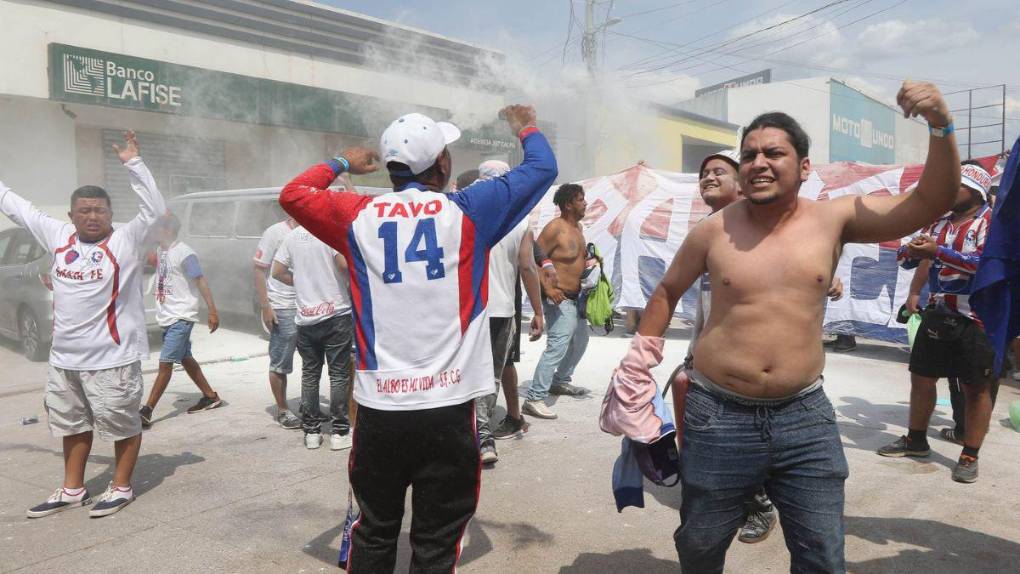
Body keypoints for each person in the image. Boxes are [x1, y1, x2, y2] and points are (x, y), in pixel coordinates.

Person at [614, 81, 959, 572]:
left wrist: (940, 123)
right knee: (700, 543)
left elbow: (931, 201)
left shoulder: (834, 220)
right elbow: (667, 291)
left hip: (804, 417)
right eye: (749, 154)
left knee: (822, 552)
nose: (758, 162)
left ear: (803, 166)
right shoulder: (714, 230)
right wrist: (639, 362)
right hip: (718, 415)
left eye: (773, 152)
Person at [279, 105, 556, 573]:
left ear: (391, 169)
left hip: (379, 411)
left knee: (374, 531)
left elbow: (293, 193)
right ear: (443, 164)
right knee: (436, 542)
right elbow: (543, 168)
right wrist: (524, 125)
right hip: (449, 410)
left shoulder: (356, 215)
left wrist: (342, 161)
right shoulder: (468, 210)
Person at [3, 131, 166, 518]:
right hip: (64, 361)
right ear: (71, 215)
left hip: (112, 360)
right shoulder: (58, 236)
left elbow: (156, 212)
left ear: (111, 214)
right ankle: (73, 489)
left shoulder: (127, 240)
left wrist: (134, 163)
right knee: (71, 424)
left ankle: (121, 486)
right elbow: (16, 207)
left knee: (122, 425)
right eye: (84, 211)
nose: (92, 217)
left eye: (100, 211)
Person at [879, 162, 998, 483]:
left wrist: (939, 252)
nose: (946, 191)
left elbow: (986, 266)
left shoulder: (991, 222)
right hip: (939, 312)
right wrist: (911, 252)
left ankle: (970, 453)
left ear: (975, 190)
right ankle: (916, 440)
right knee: (921, 378)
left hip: (979, 318)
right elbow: (905, 259)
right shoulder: (939, 222)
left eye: (954, 186)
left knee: (976, 388)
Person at [467, 160, 545, 462]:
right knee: (492, 375)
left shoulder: (465, 212)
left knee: (465, 372)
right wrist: (538, 311)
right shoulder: (521, 219)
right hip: (501, 309)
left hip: (468, 309)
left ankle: (473, 433)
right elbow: (527, 265)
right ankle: (484, 440)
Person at [271, 225, 354, 451]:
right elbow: (343, 264)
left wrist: (299, 282)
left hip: (306, 317)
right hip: (336, 312)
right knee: (338, 375)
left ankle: (312, 432)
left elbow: (276, 271)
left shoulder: (291, 237)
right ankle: (339, 432)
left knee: (310, 374)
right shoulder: (329, 232)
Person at [140, 214, 222, 427]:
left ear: (167, 231)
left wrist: (212, 311)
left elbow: (200, 280)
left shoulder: (185, 253)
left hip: (181, 316)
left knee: (165, 363)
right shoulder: (161, 250)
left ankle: (147, 410)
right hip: (167, 316)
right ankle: (210, 396)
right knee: (186, 358)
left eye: (158, 229)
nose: (154, 232)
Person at [522, 183, 592, 420]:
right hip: (558, 297)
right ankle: (534, 397)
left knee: (580, 341)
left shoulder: (578, 227)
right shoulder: (555, 228)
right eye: (581, 199)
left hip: (576, 298)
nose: (585, 203)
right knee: (558, 346)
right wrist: (548, 288)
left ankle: (559, 381)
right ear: (569, 204)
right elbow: (533, 256)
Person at [254, 216, 302, 429]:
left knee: (312, 361)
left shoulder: (313, 229)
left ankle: (308, 405)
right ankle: (282, 409)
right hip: (282, 305)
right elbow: (259, 269)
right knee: (281, 360)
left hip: (309, 304)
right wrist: (265, 306)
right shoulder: (275, 232)